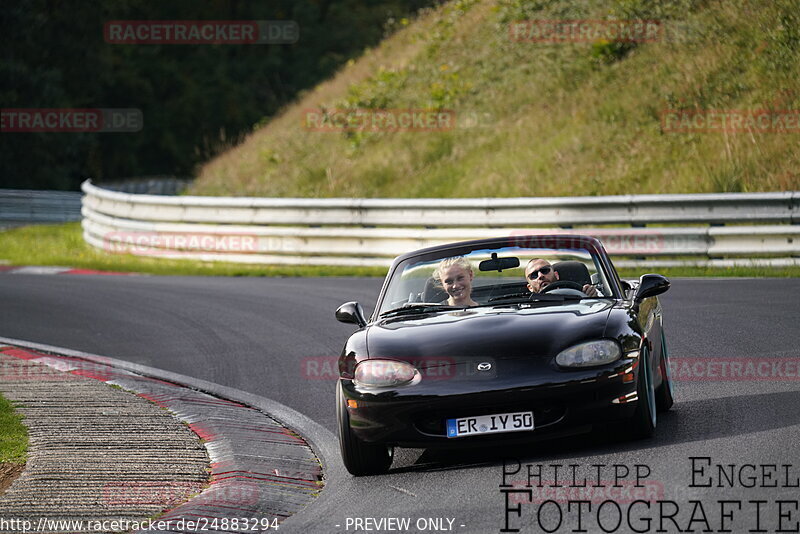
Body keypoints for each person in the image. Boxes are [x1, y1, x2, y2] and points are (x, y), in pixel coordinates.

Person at [524, 258, 598, 297]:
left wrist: (593, 297)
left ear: (556, 275)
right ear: (530, 288)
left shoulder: (582, 294)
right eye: (534, 275)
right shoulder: (526, 309)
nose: (540, 276)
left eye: (545, 270)